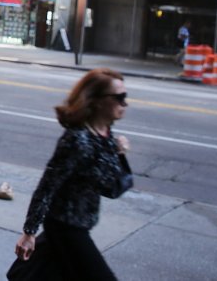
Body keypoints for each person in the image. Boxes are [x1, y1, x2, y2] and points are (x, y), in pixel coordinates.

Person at [14, 68, 131, 280]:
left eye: (126, 97)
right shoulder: (77, 141)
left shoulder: (104, 135)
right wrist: (29, 232)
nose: (125, 103)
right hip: (65, 227)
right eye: (119, 97)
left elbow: (112, 188)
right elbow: (47, 186)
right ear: (97, 101)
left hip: (78, 226)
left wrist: (118, 154)